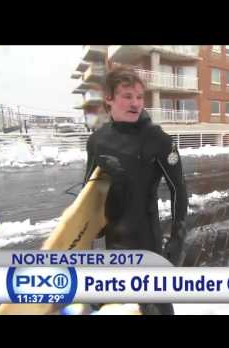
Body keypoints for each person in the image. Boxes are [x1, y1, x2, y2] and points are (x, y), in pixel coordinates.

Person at [84, 66, 188, 315]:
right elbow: (88, 196)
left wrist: (177, 235)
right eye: (127, 96)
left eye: (140, 97)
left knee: (155, 305)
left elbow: (178, 188)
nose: (136, 103)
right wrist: (87, 243)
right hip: (113, 239)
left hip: (146, 238)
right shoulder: (97, 140)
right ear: (109, 99)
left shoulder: (158, 139)